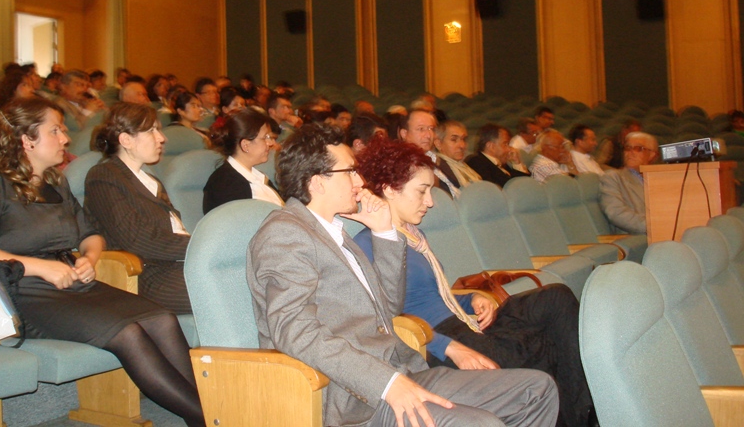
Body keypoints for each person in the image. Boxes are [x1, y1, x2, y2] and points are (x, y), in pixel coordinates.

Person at [246, 123, 558, 427]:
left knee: (537, 390)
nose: (360, 180)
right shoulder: (285, 234)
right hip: (356, 396)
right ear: (317, 182)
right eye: (350, 171)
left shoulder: (336, 232)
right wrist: (386, 383)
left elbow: (390, 308)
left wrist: (383, 232)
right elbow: (295, 331)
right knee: (483, 423)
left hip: (402, 369)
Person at [0, 97, 204, 427]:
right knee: (127, 333)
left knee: (162, 318)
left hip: (72, 282)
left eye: (63, 129)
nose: (65, 138)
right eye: (55, 131)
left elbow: (91, 234)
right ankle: (210, 419)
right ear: (27, 139)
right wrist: (40, 267)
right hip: (23, 292)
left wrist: (89, 257)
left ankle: (208, 411)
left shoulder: (55, 181)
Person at [353, 136, 594, 427]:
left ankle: (585, 412)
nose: (430, 202)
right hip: (436, 340)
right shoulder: (370, 244)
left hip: (461, 321)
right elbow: (384, 321)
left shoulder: (415, 236)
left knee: (555, 297)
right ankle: (580, 417)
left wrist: (472, 298)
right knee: (541, 345)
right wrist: (448, 347)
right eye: (422, 191)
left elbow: (433, 294)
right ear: (390, 189)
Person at [83, 102, 193, 314]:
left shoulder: (151, 181)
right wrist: (199, 246)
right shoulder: (103, 176)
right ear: (126, 140)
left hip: (176, 265)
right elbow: (137, 239)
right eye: (152, 131)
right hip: (146, 274)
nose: (162, 138)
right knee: (227, 286)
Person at [202, 107, 283, 214]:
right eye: (265, 137)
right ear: (245, 145)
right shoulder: (226, 185)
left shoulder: (257, 176)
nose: (271, 143)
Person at [599, 131, 658, 235]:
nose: (631, 152)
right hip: (637, 236)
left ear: (651, 155)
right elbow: (615, 213)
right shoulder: (613, 177)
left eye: (638, 148)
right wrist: (655, 226)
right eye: (628, 148)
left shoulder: (658, 179)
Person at [398, 109, 460, 197]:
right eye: (421, 129)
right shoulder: (401, 164)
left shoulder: (437, 159)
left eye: (431, 129)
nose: (428, 135)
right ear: (404, 133)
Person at [433, 120, 481, 186]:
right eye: (454, 140)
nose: (462, 145)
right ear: (438, 144)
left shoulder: (464, 166)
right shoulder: (437, 170)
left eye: (464, 139)